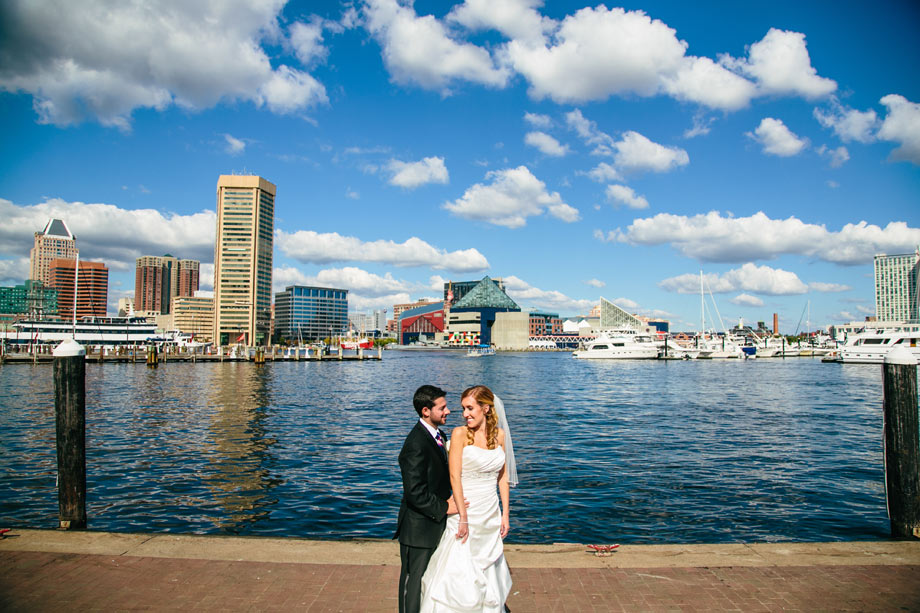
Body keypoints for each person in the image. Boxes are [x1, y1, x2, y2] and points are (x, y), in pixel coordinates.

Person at [420, 385, 517, 612]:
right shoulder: (459, 434)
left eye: (470, 408)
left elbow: (502, 478)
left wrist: (505, 515)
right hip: (467, 509)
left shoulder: (499, 436)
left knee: (488, 568)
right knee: (458, 567)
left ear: (486, 409)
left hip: (490, 511)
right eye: (463, 408)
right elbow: (454, 476)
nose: (465, 414)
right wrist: (463, 516)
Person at [396, 385, 463, 613]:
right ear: (426, 411)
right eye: (442, 407)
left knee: (429, 581)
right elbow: (414, 492)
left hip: (434, 525)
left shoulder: (438, 435)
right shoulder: (415, 444)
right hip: (418, 529)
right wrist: (445, 507)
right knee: (413, 584)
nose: (449, 411)